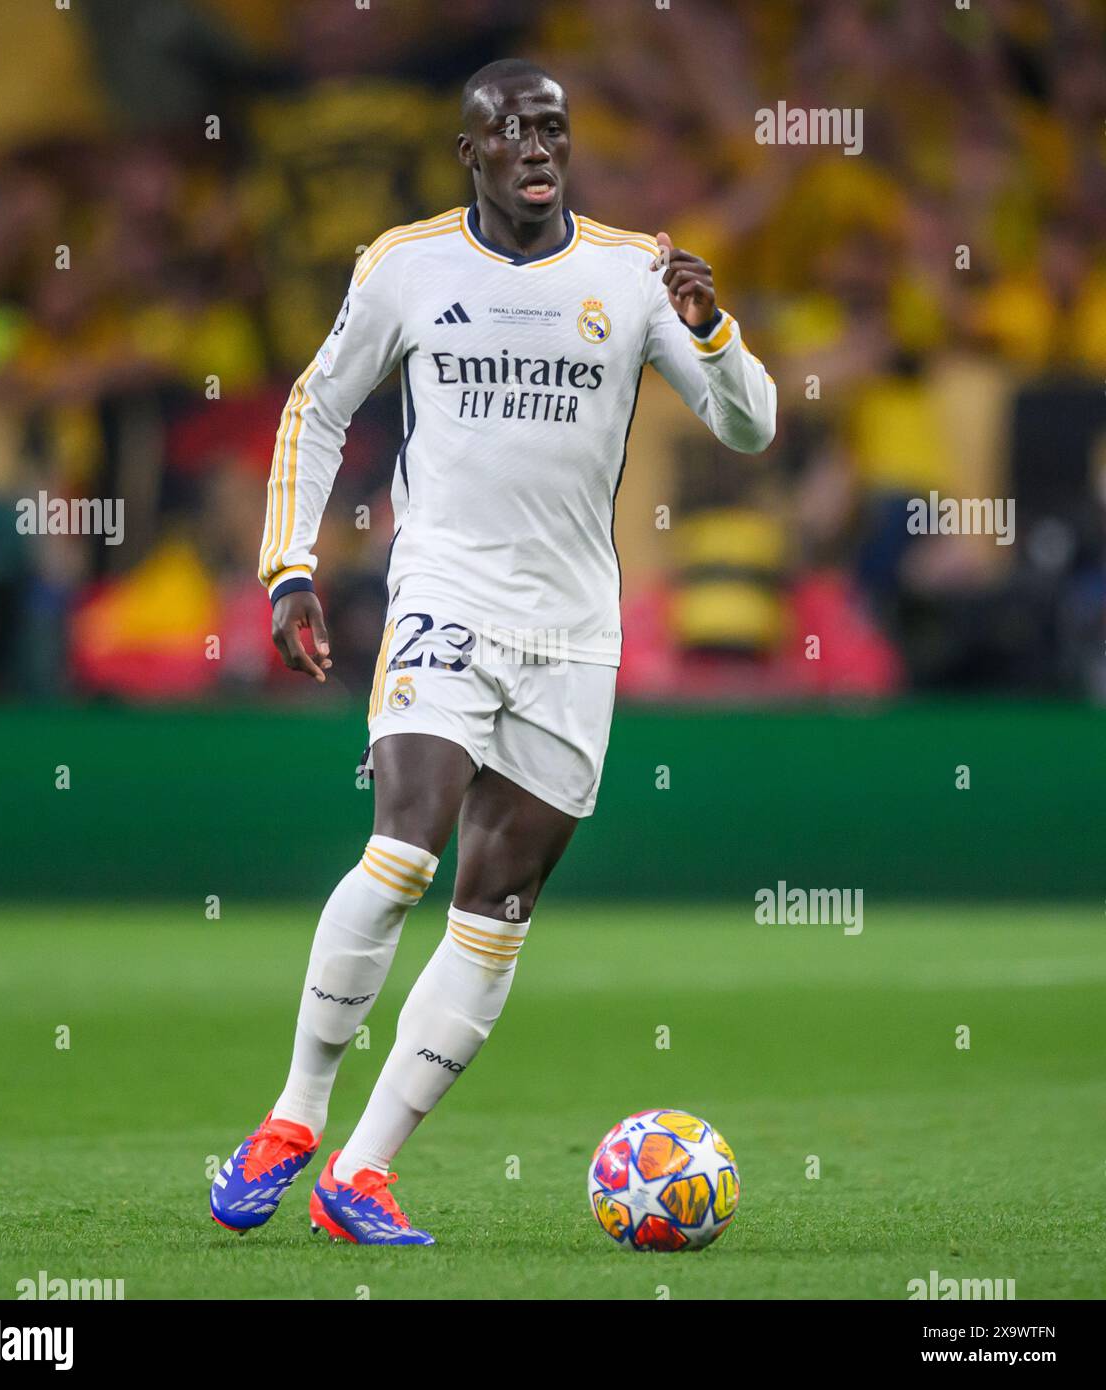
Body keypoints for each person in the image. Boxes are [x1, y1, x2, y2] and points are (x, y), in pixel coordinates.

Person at [210, 58, 775, 1245]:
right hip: (445, 591)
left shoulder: (629, 275)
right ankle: (294, 1109)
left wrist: (709, 329)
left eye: (553, 128)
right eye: (509, 128)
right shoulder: (405, 264)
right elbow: (317, 404)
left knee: (495, 904)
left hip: (573, 629)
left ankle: (360, 1174)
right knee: (404, 846)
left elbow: (748, 424)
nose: (535, 144)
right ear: (467, 151)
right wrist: (290, 565)